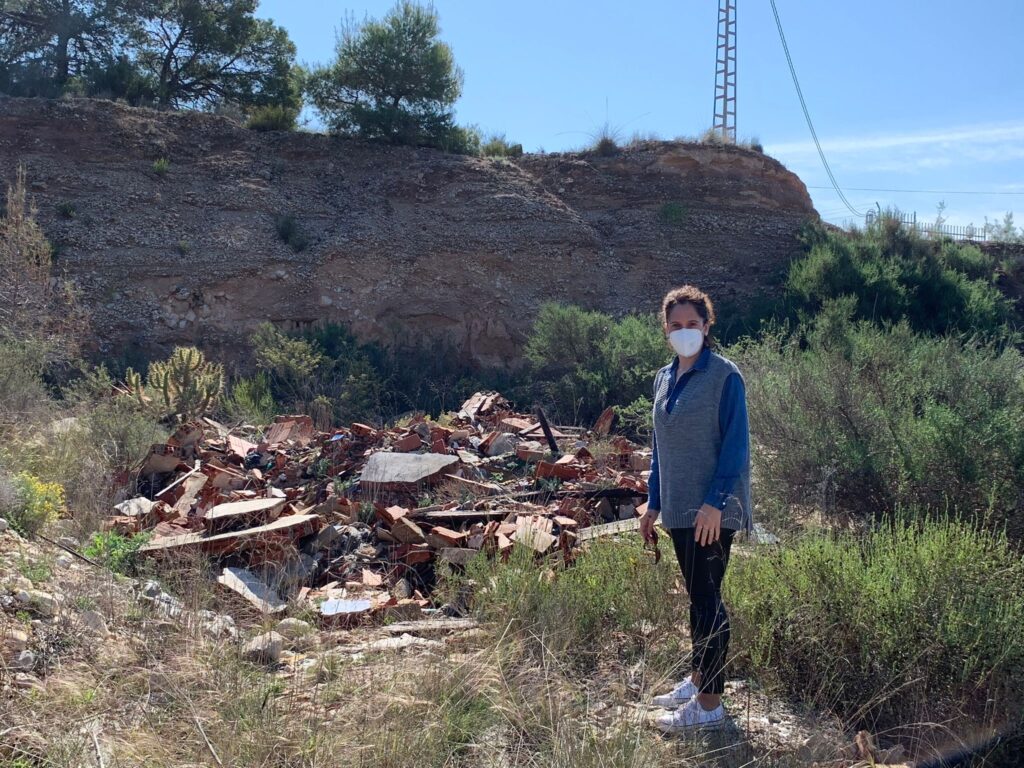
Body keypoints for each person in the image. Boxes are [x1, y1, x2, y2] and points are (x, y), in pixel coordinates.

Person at [639, 284, 753, 734]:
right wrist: (653, 503)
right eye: (676, 325)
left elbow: (736, 446)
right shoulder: (663, 378)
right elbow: (659, 449)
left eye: (692, 323)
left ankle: (709, 707)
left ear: (707, 326)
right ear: (666, 330)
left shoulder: (725, 377)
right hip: (679, 507)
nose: (684, 331)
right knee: (698, 597)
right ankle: (698, 678)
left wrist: (715, 503)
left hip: (712, 512)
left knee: (708, 601)